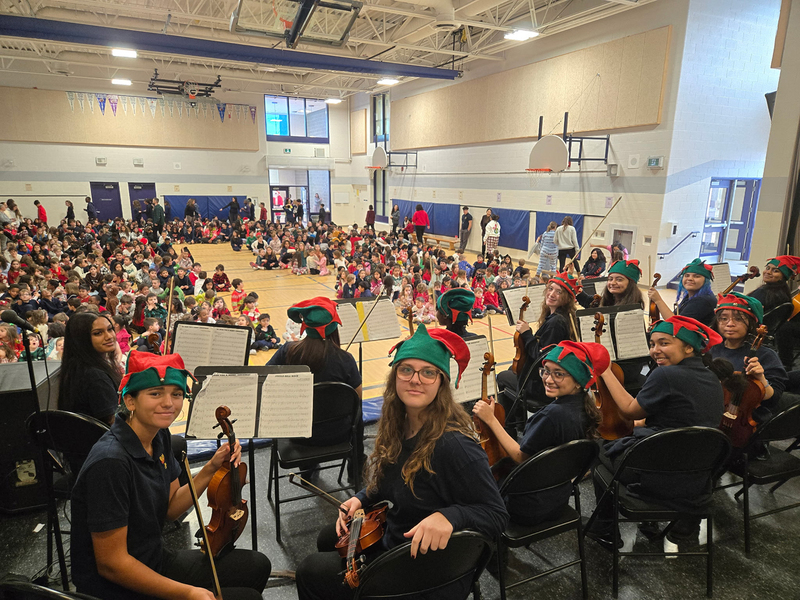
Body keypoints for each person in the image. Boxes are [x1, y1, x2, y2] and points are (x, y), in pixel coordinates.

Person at [295, 325, 509, 600]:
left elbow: (497, 516)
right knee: (329, 537)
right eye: (406, 369)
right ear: (395, 376)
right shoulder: (401, 426)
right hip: (401, 544)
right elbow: (391, 483)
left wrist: (450, 516)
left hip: (422, 570)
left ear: (441, 382)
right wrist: (361, 498)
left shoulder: (455, 446)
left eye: (428, 372)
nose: (415, 379)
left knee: (309, 570)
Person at [70, 352, 271, 600]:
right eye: (155, 394)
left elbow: (171, 508)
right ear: (130, 401)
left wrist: (212, 467)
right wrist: (186, 592)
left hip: (154, 558)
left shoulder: (160, 435)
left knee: (256, 565)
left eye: (176, 394)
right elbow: (112, 564)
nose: (169, 403)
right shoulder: (110, 463)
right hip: (116, 587)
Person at [584, 315, 726, 549]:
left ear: (688, 347)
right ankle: (680, 528)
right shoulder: (711, 376)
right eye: (652, 344)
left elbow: (630, 411)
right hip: (697, 478)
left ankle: (605, 526)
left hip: (662, 476)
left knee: (597, 449)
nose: (655, 350)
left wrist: (606, 370)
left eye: (664, 343)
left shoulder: (665, 374)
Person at [474, 340, 605, 524]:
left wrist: (491, 419)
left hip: (524, 506)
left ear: (577, 381)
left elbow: (521, 457)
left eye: (558, 374)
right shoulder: (585, 407)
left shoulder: (552, 416)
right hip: (557, 499)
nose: (548, 379)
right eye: (546, 371)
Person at [267, 297, 363, 472]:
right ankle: (355, 467)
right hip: (339, 434)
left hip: (296, 433)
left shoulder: (287, 351)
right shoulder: (345, 359)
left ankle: (307, 469)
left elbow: (264, 382)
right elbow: (357, 397)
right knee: (358, 412)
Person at [495, 272, 580, 433]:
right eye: (550, 289)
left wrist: (527, 334)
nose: (552, 294)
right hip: (554, 377)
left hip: (543, 384)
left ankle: (509, 429)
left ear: (567, 297)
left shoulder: (556, 323)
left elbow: (541, 357)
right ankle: (519, 422)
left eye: (558, 291)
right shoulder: (562, 316)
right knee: (511, 371)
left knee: (501, 377)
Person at [709, 292, 787, 416]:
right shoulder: (711, 350)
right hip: (713, 413)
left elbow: (773, 400)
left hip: (748, 419)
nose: (730, 324)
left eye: (738, 319)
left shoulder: (766, 356)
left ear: (751, 323)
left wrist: (761, 379)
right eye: (723, 318)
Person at [57, 312, 121, 425]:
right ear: (82, 339)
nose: (109, 336)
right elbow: (115, 424)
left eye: (110, 329)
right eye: (98, 333)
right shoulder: (96, 377)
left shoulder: (75, 366)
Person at [748, 255, 800, 369]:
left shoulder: (765, 293)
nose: (768, 272)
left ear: (783, 276)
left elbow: (745, 310)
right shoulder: (783, 293)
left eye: (775, 271)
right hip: (764, 333)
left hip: (750, 329)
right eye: (767, 268)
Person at [648, 258, 717, 326]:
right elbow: (675, 316)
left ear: (706, 281)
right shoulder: (691, 295)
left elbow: (675, 324)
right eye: (686, 275)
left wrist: (658, 300)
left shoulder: (702, 301)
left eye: (696, 276)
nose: (690, 279)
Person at [578, 259, 644, 309]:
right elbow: (589, 301)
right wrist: (578, 292)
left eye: (619, 279)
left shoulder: (634, 308)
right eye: (610, 279)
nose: (612, 283)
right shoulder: (609, 299)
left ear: (631, 283)